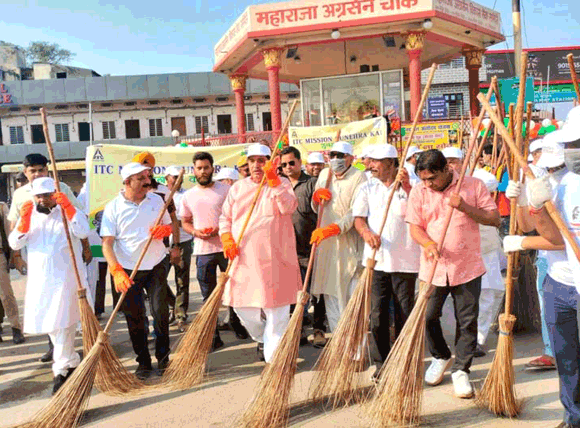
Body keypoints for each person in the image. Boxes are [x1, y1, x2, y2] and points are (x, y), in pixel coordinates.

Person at [405, 149, 499, 399]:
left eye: (432, 178)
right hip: (433, 267)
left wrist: (465, 206)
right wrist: (427, 243)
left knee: (466, 320)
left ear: (446, 169)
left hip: (467, 266)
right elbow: (415, 227)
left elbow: (494, 218)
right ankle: (440, 356)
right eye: (423, 179)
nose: (428, 184)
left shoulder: (473, 185)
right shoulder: (418, 191)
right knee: (427, 316)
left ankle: (461, 369)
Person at [513, 122, 580, 428]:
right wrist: (529, 201)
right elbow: (548, 232)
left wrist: (523, 242)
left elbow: (553, 239)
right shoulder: (558, 183)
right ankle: (573, 417)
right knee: (567, 360)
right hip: (559, 281)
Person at [219, 143, 301, 363]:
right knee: (242, 308)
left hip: (276, 260)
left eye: (261, 160)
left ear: (270, 162)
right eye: (252, 160)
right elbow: (225, 218)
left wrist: (274, 181)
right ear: (247, 163)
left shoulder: (281, 183)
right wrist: (226, 238)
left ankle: (274, 364)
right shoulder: (237, 188)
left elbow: (288, 207)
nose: (256, 165)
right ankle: (262, 338)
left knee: (277, 314)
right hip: (244, 261)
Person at [8, 153, 90, 363]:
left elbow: (83, 230)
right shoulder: (27, 211)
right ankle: (68, 360)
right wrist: (24, 222)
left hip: (68, 277)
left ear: (55, 193)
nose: (43, 199)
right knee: (51, 323)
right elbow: (15, 242)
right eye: (39, 195)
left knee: (65, 322)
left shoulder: (65, 207)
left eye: (48, 194)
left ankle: (61, 368)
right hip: (42, 278)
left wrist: (69, 209)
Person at [352, 144, 420, 381]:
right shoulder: (366, 186)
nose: (371, 166)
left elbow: (422, 211)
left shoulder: (413, 184)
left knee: (404, 312)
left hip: (406, 261)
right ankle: (382, 362)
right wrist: (366, 234)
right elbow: (359, 219)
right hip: (377, 260)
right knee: (378, 315)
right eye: (370, 161)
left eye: (376, 162)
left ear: (391, 163)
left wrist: (408, 187)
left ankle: (404, 360)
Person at [100, 162, 173, 380]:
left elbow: (169, 225)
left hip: (157, 263)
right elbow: (107, 243)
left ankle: (163, 358)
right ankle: (143, 361)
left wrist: (165, 230)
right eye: (140, 178)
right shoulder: (113, 207)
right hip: (129, 268)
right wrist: (115, 271)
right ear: (127, 181)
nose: (146, 181)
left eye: (146, 177)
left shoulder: (156, 200)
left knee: (160, 312)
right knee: (135, 317)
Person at [506, 132, 570, 370]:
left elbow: (564, 240)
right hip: (551, 264)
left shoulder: (572, 184)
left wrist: (524, 243)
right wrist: (523, 199)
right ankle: (551, 352)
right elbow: (526, 226)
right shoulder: (542, 183)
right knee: (550, 311)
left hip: (570, 262)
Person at [310, 141, 367, 332]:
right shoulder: (325, 175)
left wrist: (335, 228)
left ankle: (356, 349)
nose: (336, 160)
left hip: (349, 245)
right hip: (326, 247)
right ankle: (338, 345)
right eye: (332, 155)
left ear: (351, 158)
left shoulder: (359, 178)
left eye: (341, 156)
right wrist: (316, 198)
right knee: (331, 296)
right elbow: (316, 207)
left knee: (351, 299)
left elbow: (355, 212)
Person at [180, 152, 231, 348]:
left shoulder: (225, 190)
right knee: (208, 297)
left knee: (235, 290)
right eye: (199, 168)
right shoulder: (188, 195)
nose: (203, 171)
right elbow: (185, 221)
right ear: (194, 170)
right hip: (203, 252)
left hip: (227, 248)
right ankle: (213, 336)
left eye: (206, 167)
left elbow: (235, 215)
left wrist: (221, 230)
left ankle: (237, 323)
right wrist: (195, 232)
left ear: (213, 168)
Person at [280, 146, 327, 348]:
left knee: (317, 292)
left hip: (312, 247)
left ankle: (318, 329)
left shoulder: (312, 184)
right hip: (287, 250)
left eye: (292, 162)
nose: (289, 167)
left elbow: (321, 210)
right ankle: (296, 329)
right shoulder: (279, 185)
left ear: (300, 163)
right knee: (293, 292)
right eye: (284, 164)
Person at [471, 168, 504, 357]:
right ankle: (469, 337)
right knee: (468, 300)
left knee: (490, 294)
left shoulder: (481, 178)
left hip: (488, 249)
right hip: (465, 251)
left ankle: (479, 338)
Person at [163, 166, 194, 332]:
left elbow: (190, 219)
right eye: (173, 177)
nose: (177, 180)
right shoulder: (160, 194)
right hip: (162, 244)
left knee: (182, 280)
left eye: (179, 177)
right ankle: (173, 305)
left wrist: (178, 223)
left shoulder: (187, 195)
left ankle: (181, 315)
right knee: (159, 279)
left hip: (183, 242)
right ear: (167, 178)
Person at [0, 200, 24, 344]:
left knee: (6, 294)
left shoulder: (1, 207)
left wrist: (14, 256)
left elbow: (9, 232)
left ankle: (16, 327)